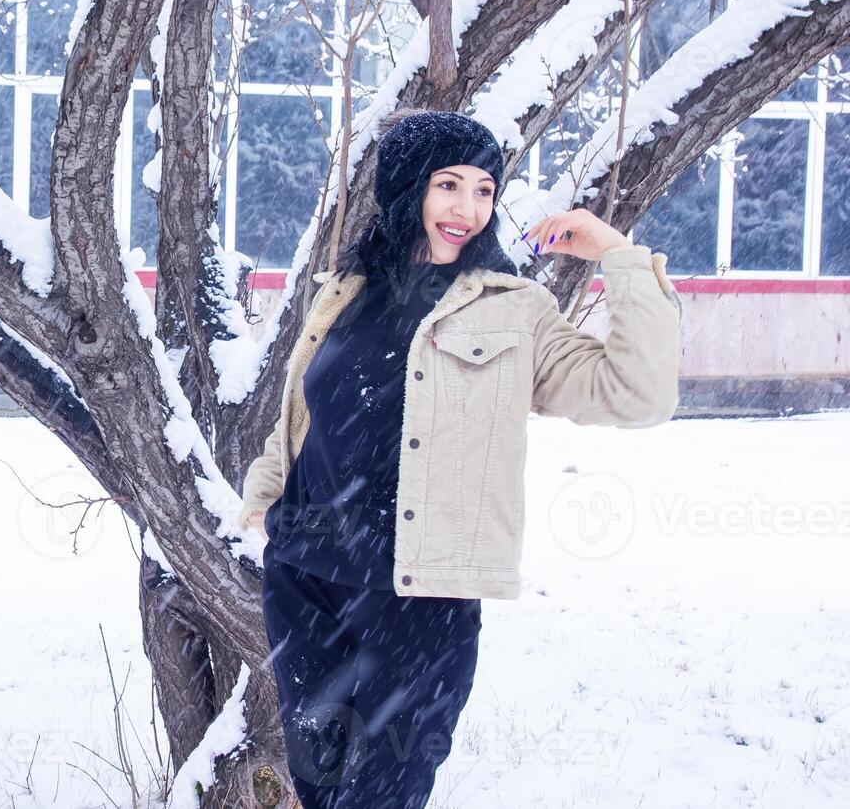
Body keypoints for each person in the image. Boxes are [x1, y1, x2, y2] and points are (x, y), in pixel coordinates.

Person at [234, 109, 683, 808]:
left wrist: (617, 254)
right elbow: (300, 414)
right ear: (408, 187)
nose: (468, 209)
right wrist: (265, 501)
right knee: (318, 788)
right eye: (449, 185)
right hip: (304, 582)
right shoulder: (344, 294)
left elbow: (638, 393)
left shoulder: (515, 310)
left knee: (380, 795)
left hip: (420, 600)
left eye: (483, 189)